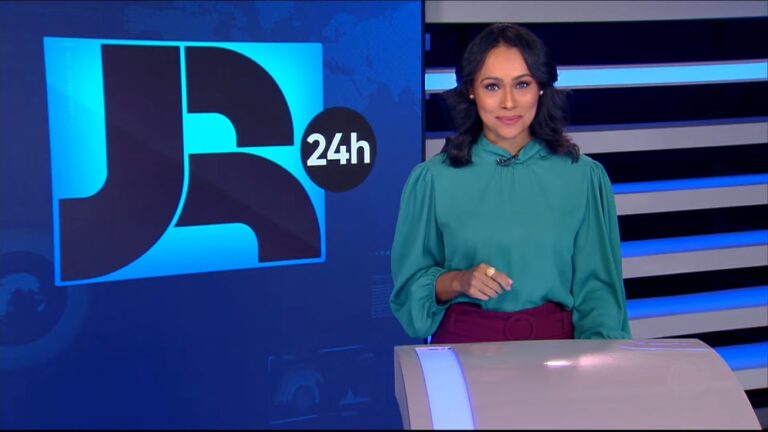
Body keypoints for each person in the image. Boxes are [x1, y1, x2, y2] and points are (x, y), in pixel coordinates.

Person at [390, 23, 631, 344]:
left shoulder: (583, 177)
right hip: (465, 350)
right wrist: (458, 281)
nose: (508, 102)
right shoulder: (432, 180)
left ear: (541, 88)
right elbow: (409, 294)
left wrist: (601, 362)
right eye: (492, 86)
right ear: (471, 90)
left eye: (522, 84)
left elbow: (599, 294)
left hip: (557, 354)